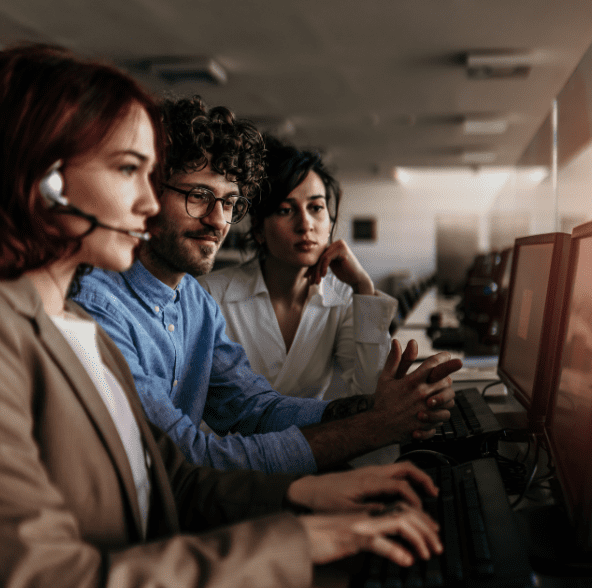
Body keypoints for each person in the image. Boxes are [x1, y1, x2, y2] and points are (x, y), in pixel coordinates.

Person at [0, 42, 445, 588]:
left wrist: (302, 490)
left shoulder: (84, 326)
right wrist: (295, 537)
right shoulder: (58, 325)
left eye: (230, 203)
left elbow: (175, 478)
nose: (144, 205)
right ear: (45, 182)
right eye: (127, 170)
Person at [74, 95, 461, 475]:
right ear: (147, 194)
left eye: (229, 203)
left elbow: (254, 408)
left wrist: (381, 406)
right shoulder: (96, 308)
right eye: (199, 196)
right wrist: (375, 425)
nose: (218, 220)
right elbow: (182, 458)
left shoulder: (194, 303)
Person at [199, 134, 397, 401]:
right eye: (285, 210)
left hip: (312, 442)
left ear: (331, 220)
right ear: (258, 228)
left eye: (316, 207)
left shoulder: (343, 299)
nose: (306, 225)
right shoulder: (210, 295)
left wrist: (363, 287)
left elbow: (370, 391)